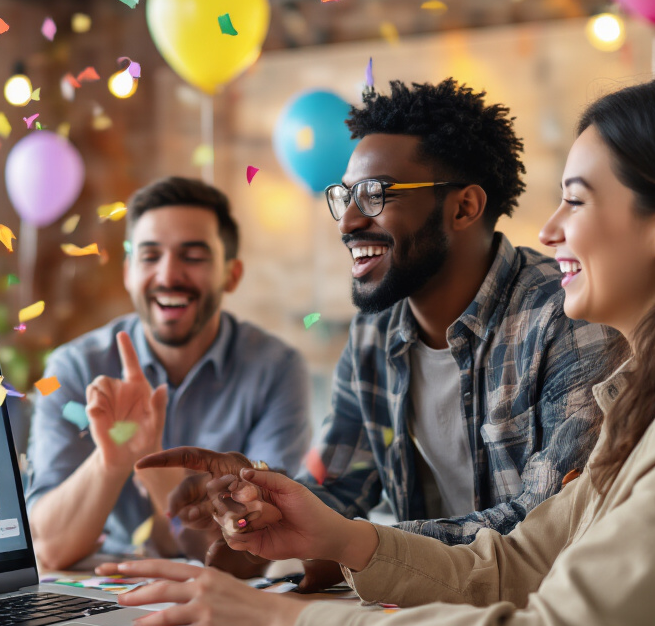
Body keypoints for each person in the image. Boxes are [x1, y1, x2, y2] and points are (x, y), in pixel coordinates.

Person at [102, 74, 655, 626]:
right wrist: (320, 530)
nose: (551, 229)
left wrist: (281, 625)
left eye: (576, 200)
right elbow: (517, 564)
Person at [170, 78, 618, 589]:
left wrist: (348, 545)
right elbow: (336, 490)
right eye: (345, 196)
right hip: (422, 612)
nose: (348, 221)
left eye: (375, 194)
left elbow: (547, 529)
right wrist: (261, 508)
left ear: (464, 208)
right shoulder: (373, 334)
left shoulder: (569, 319)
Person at [25, 176, 310, 570]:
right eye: (150, 256)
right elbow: (49, 548)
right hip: (103, 586)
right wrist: (111, 462)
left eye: (193, 256)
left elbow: (258, 543)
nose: (168, 275)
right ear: (128, 272)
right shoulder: (73, 367)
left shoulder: (277, 370)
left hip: (226, 588)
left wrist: (150, 462)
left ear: (231, 274)